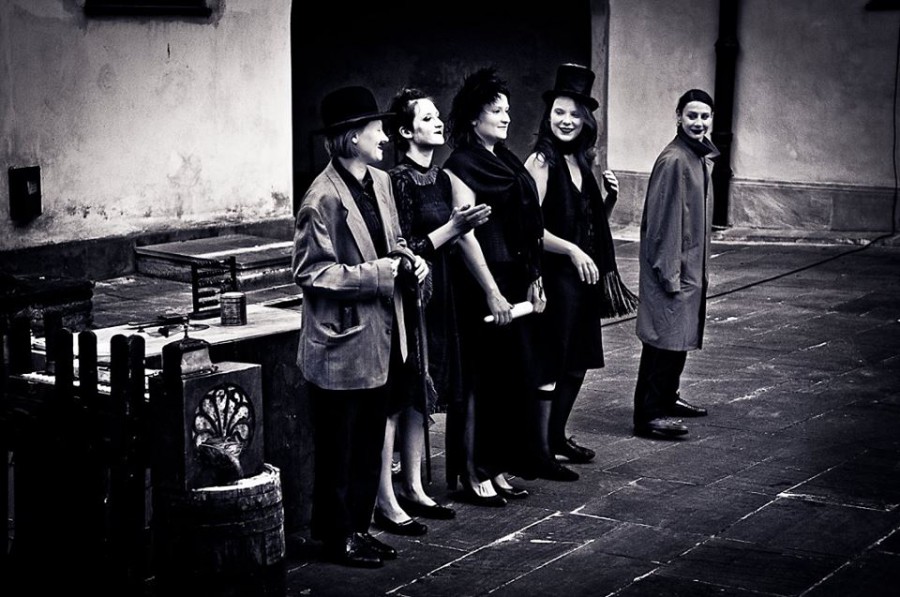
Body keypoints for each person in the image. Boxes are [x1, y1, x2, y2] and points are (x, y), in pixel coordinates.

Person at [292, 85, 429, 568]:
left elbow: (393, 242)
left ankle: (358, 528)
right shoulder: (321, 198)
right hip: (341, 341)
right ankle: (336, 537)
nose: (386, 138)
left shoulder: (381, 182)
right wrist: (379, 275)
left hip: (381, 334)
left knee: (369, 440)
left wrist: (409, 260)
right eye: (377, 130)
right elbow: (312, 273)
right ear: (352, 137)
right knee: (340, 445)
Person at [374, 87, 492, 531]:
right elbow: (404, 248)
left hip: (440, 294)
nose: (438, 122)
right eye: (426, 118)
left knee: (421, 395)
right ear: (405, 132)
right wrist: (452, 228)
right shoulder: (399, 180)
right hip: (410, 295)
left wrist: (464, 228)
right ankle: (388, 494)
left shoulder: (441, 178)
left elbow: (452, 241)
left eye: (438, 116)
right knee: (403, 390)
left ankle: (415, 486)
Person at [524, 63, 639, 474]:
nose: (566, 120)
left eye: (574, 114)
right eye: (559, 112)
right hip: (555, 279)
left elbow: (584, 223)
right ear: (548, 115)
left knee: (576, 362)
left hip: (582, 281)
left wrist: (608, 200)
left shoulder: (580, 160)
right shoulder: (541, 161)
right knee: (552, 363)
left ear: (586, 120)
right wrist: (572, 251)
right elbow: (529, 229)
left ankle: (556, 436)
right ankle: (538, 451)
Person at [443, 67, 547, 501]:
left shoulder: (505, 159)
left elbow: (527, 222)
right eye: (495, 110)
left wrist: (535, 276)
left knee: (509, 378)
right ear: (473, 117)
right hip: (482, 281)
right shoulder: (460, 165)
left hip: (515, 275)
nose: (506, 117)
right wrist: (491, 290)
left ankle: (498, 464)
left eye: (507, 110)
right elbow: (465, 235)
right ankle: (473, 471)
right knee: (479, 381)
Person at [632, 88, 717, 438]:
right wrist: (669, 273)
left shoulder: (697, 156)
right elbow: (662, 222)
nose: (698, 122)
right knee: (661, 340)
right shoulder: (675, 160)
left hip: (689, 265)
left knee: (678, 336)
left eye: (704, 116)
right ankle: (648, 413)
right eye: (692, 115)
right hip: (673, 267)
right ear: (679, 117)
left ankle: (668, 397)